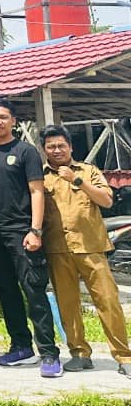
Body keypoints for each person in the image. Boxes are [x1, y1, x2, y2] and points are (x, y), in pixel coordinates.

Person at [0, 98, 61, 376]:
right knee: (7, 293)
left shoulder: (26, 152)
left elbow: (37, 191)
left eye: (3, 117)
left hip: (23, 234)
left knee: (34, 292)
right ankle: (21, 346)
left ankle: (49, 353)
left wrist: (35, 230)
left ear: (13, 121)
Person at [40, 125, 130, 376]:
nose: (56, 150)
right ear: (44, 149)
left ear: (70, 147)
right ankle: (79, 353)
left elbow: (106, 200)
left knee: (108, 301)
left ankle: (123, 356)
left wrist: (76, 180)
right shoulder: (40, 176)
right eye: (51, 146)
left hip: (91, 247)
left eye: (61, 145)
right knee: (68, 305)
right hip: (58, 249)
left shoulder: (88, 171)